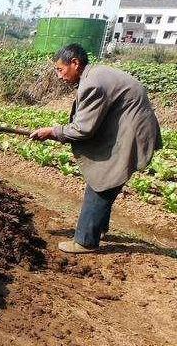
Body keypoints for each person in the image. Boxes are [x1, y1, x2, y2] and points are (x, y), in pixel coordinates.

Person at [30, 43, 162, 254]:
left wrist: (53, 131)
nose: (58, 75)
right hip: (126, 125)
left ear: (75, 63)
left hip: (131, 130)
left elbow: (83, 129)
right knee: (107, 179)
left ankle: (85, 240)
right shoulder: (93, 75)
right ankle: (99, 227)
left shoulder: (92, 84)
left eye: (60, 69)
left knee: (102, 181)